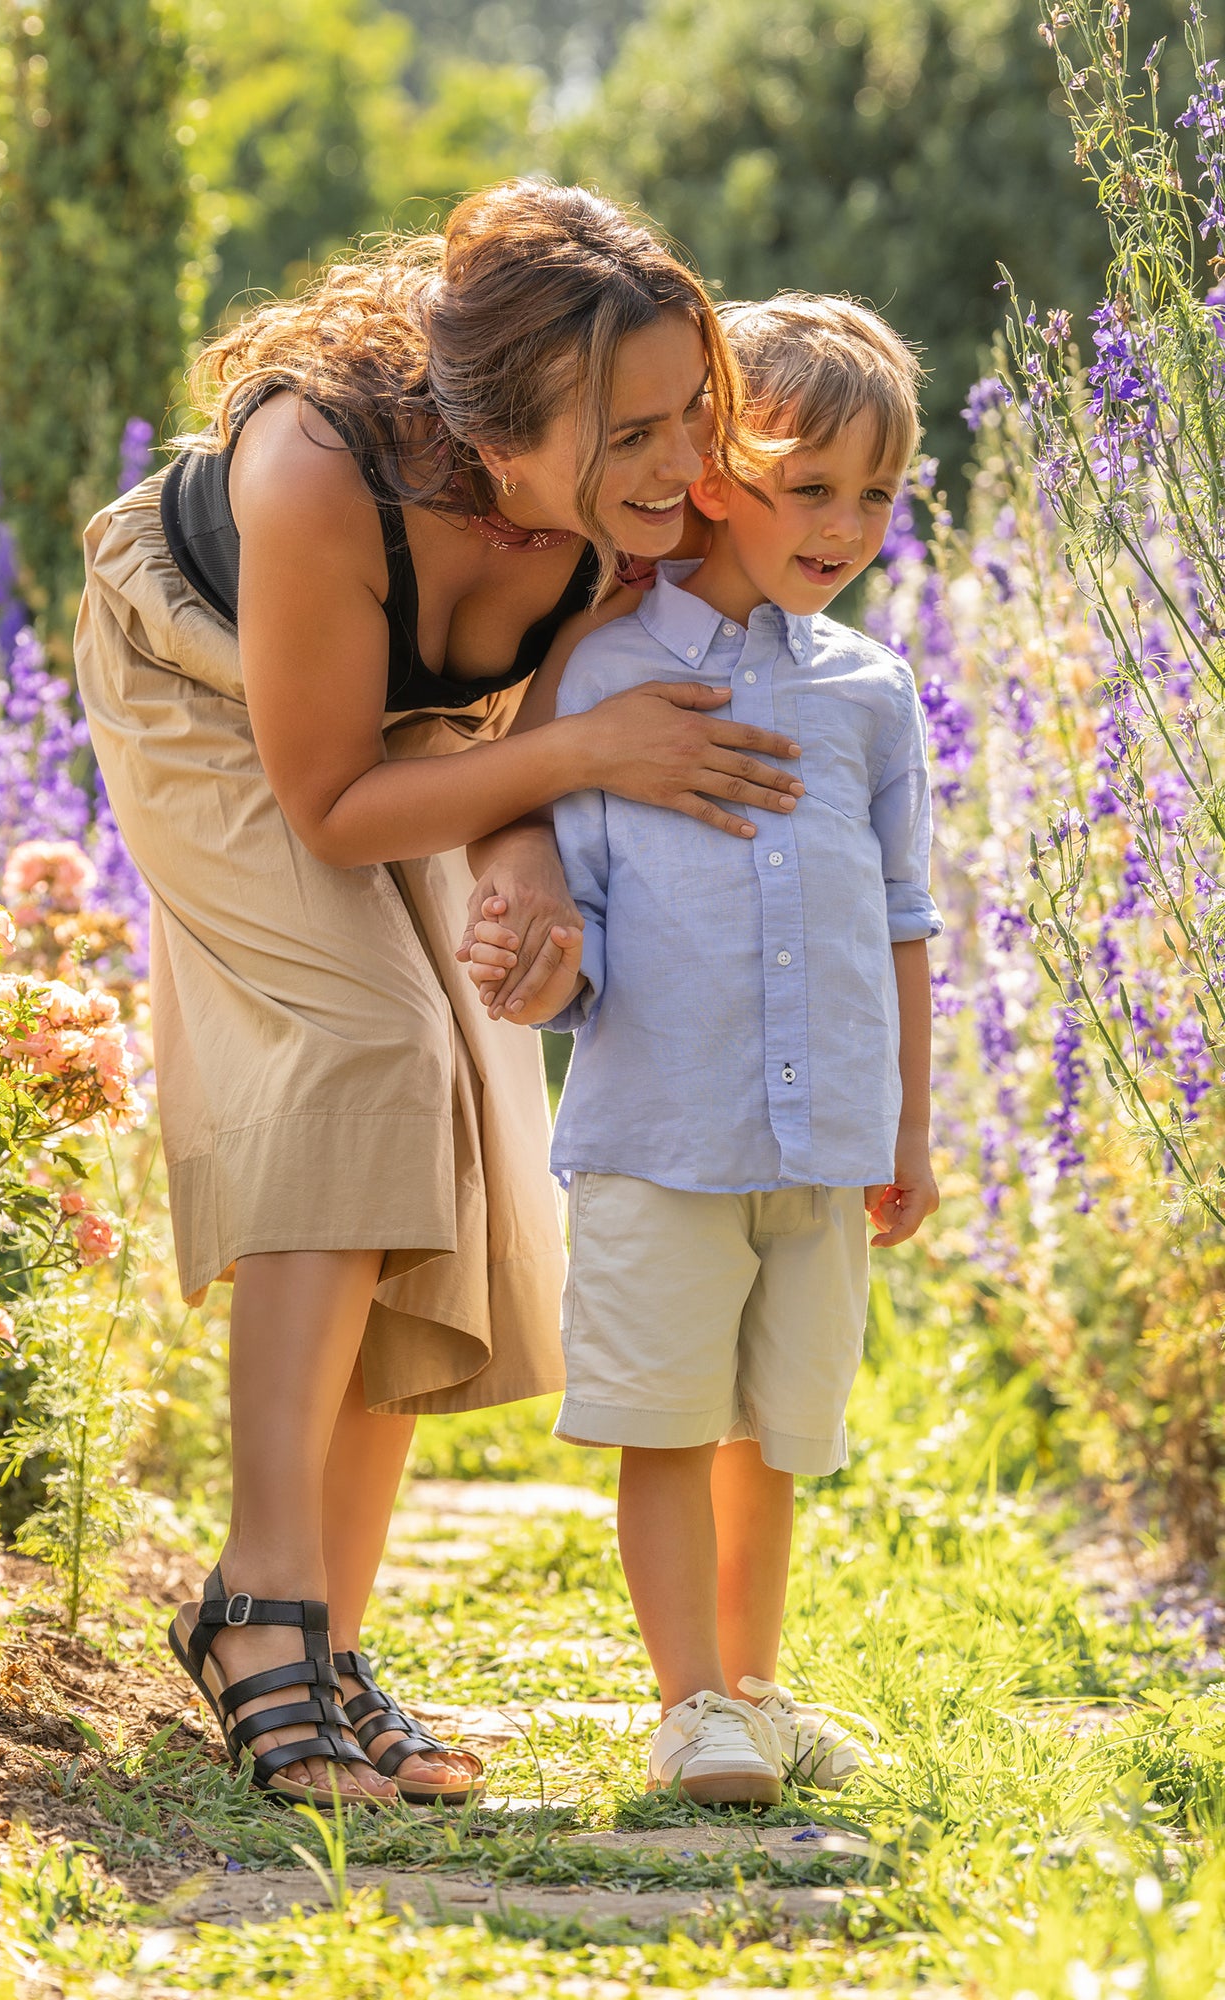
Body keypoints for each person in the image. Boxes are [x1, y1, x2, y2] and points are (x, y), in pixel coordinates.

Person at [73, 178, 809, 1807]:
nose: (689, 467)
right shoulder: (317, 475)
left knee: (470, 1105)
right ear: (498, 428)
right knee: (367, 1051)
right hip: (205, 673)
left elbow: (518, 733)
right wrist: (584, 760)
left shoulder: (642, 494)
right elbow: (329, 798)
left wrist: (531, 854)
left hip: (416, 732)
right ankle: (255, 1603)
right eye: (633, 437)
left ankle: (328, 1636)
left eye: (696, 410)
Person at [467, 294, 940, 1803]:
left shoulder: (873, 694)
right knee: (667, 1426)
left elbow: (906, 922)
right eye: (813, 486)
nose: (848, 524)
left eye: (878, 493)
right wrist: (536, 973)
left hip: (823, 1139)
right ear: (713, 471)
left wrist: (909, 1129)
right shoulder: (605, 680)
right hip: (664, 1132)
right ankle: (687, 1705)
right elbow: (572, 911)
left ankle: (753, 1687)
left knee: (777, 1435)